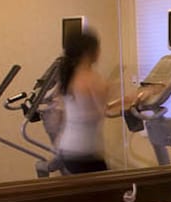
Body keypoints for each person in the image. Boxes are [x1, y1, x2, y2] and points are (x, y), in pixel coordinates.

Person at [56, 29, 144, 174]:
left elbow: (94, 109)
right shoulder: (90, 78)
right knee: (108, 186)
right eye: (98, 48)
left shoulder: (69, 76)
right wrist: (137, 96)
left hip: (68, 148)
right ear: (88, 52)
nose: (100, 52)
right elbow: (102, 111)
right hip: (84, 151)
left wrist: (125, 98)